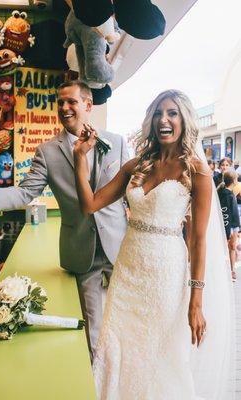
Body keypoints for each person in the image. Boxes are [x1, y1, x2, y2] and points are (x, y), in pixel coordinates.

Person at [74, 89, 235, 399]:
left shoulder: (197, 171)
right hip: (128, 270)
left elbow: (199, 240)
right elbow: (90, 204)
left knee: (159, 353)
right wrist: (80, 157)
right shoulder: (137, 165)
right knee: (114, 344)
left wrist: (196, 302)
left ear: (184, 121)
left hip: (166, 273)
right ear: (151, 120)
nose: (164, 119)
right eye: (159, 113)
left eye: (172, 113)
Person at [0, 80, 129, 361]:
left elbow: (129, 193)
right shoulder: (48, 151)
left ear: (88, 105)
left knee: (127, 320)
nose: (64, 107)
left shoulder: (116, 142)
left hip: (120, 245)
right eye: (60, 102)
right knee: (92, 331)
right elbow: (25, 192)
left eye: (71, 101)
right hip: (82, 253)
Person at [217, 170, 240, 282]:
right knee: (230, 248)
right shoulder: (226, 195)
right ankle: (229, 271)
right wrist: (228, 230)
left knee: (233, 248)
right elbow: (226, 214)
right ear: (234, 181)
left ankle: (232, 270)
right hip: (230, 227)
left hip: (234, 226)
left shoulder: (229, 193)